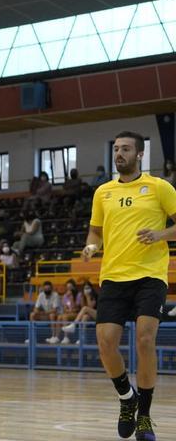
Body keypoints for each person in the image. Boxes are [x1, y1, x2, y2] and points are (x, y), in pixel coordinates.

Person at [82, 131, 176, 441]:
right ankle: (127, 399)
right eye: (116, 149)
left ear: (139, 155)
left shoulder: (159, 187)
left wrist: (160, 235)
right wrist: (92, 247)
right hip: (113, 276)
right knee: (106, 343)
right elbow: (95, 232)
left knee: (145, 340)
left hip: (150, 275)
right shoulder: (103, 193)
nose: (119, 153)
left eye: (125, 149)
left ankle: (145, 416)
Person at [55, 279, 80, 344]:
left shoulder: (79, 295)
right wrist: (68, 310)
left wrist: (71, 298)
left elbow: (77, 308)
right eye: (68, 287)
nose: (69, 289)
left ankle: (66, 337)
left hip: (77, 314)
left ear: (74, 287)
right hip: (68, 313)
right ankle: (57, 337)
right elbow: (64, 308)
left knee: (64, 316)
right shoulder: (65, 296)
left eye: (70, 287)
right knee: (59, 317)